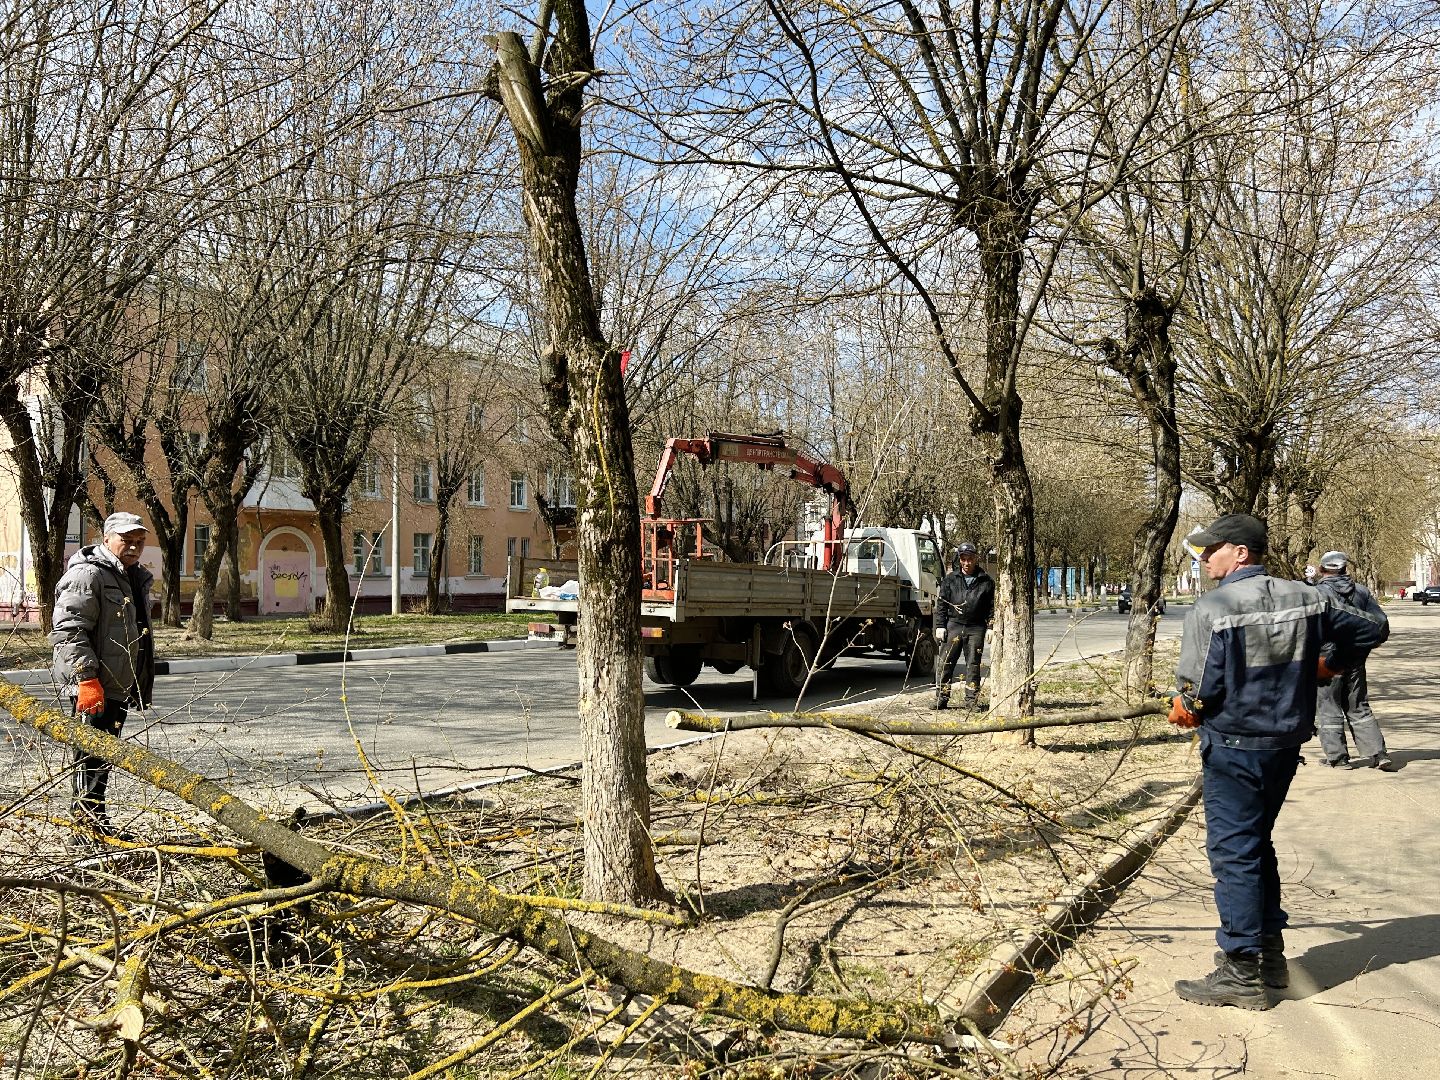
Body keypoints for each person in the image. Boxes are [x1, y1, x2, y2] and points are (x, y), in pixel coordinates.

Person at [1167, 514, 1387, 1010]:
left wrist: (1183, 708)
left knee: (1234, 853)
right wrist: (1331, 664)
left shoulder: (1214, 608)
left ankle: (1242, 972)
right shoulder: (1309, 597)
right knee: (1256, 842)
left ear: (1240, 553)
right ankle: (1270, 956)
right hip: (1285, 744)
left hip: (1234, 749)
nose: (1203, 559)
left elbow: (1199, 692)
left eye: (1210, 550)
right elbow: (1374, 626)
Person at [50, 511, 155, 838]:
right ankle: (85, 831)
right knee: (88, 759)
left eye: (139, 542)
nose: (135, 547)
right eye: (127, 540)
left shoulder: (132, 575)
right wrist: (86, 679)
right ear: (107, 538)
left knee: (101, 759)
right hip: (92, 685)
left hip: (116, 685)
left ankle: (94, 823)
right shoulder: (88, 574)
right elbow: (68, 630)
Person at [1312, 550, 1393, 771]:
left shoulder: (1316, 594)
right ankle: (1378, 753)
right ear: (1346, 569)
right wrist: (1365, 645)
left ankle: (1338, 758)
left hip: (1326, 661)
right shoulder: (1362, 592)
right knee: (1359, 705)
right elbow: (1381, 625)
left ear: (1321, 569)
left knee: (1328, 708)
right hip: (1355, 658)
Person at [932, 542, 994, 710]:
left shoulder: (986, 581)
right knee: (945, 663)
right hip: (954, 625)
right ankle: (941, 699)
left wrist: (990, 626)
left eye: (970, 559)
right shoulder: (950, 579)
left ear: (976, 559)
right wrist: (940, 625)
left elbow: (992, 606)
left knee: (973, 665)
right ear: (960, 560)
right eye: (963, 559)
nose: (967, 563)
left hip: (976, 628)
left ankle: (971, 701)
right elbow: (942, 603)